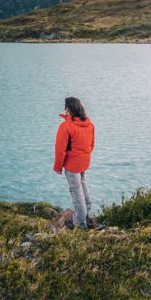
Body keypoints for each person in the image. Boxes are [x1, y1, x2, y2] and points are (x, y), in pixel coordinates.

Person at [53, 96, 95, 228]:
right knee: (82, 184)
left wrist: (58, 167)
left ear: (68, 109)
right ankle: (87, 210)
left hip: (72, 164)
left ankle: (80, 223)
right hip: (84, 161)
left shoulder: (65, 127)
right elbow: (91, 145)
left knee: (75, 191)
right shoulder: (89, 124)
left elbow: (60, 150)